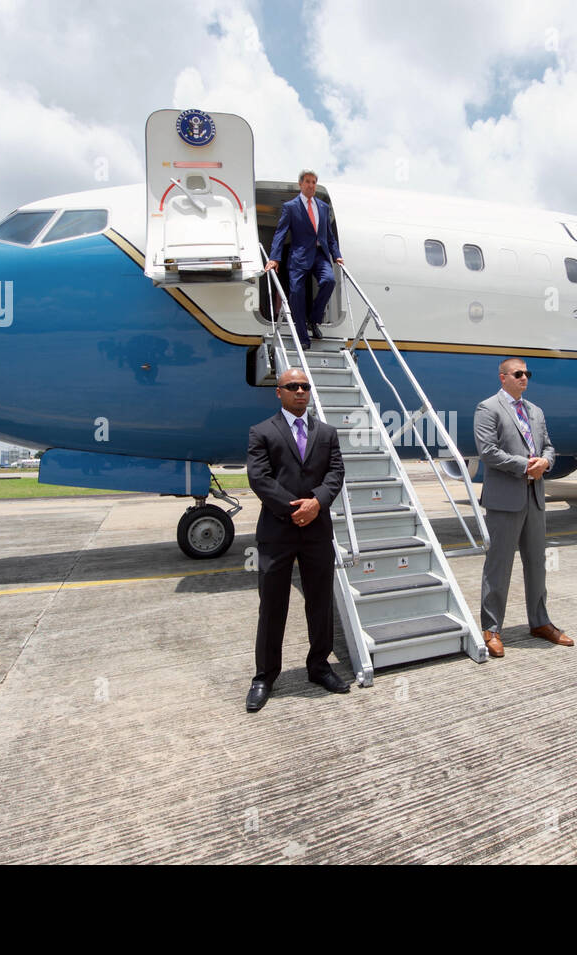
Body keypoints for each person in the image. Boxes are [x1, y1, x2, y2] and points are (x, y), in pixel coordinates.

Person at [244, 368, 348, 712]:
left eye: (304, 386)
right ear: (279, 392)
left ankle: (319, 666)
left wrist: (317, 502)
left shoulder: (327, 433)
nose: (300, 391)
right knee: (272, 606)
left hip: (317, 530)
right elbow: (259, 478)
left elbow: (336, 473)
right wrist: (294, 510)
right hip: (277, 532)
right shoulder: (262, 432)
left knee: (320, 603)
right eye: (293, 386)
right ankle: (264, 676)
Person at [473, 358, 572, 657]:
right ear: (503, 378)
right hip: (505, 499)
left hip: (535, 498)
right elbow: (488, 452)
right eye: (518, 374)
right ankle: (491, 628)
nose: (524, 378)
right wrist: (526, 467)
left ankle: (540, 622)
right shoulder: (487, 409)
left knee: (536, 565)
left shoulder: (535, 411)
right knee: (498, 567)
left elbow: (549, 446)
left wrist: (546, 461)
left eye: (527, 373)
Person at [263, 169, 344, 348]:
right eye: (307, 181)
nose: (311, 185)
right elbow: (280, 233)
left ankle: (314, 320)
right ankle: (302, 338)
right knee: (297, 294)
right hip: (298, 256)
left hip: (319, 255)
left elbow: (329, 236)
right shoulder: (290, 207)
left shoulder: (323, 207)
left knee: (329, 281)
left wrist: (336, 255)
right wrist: (275, 257)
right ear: (301, 184)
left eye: (314, 182)